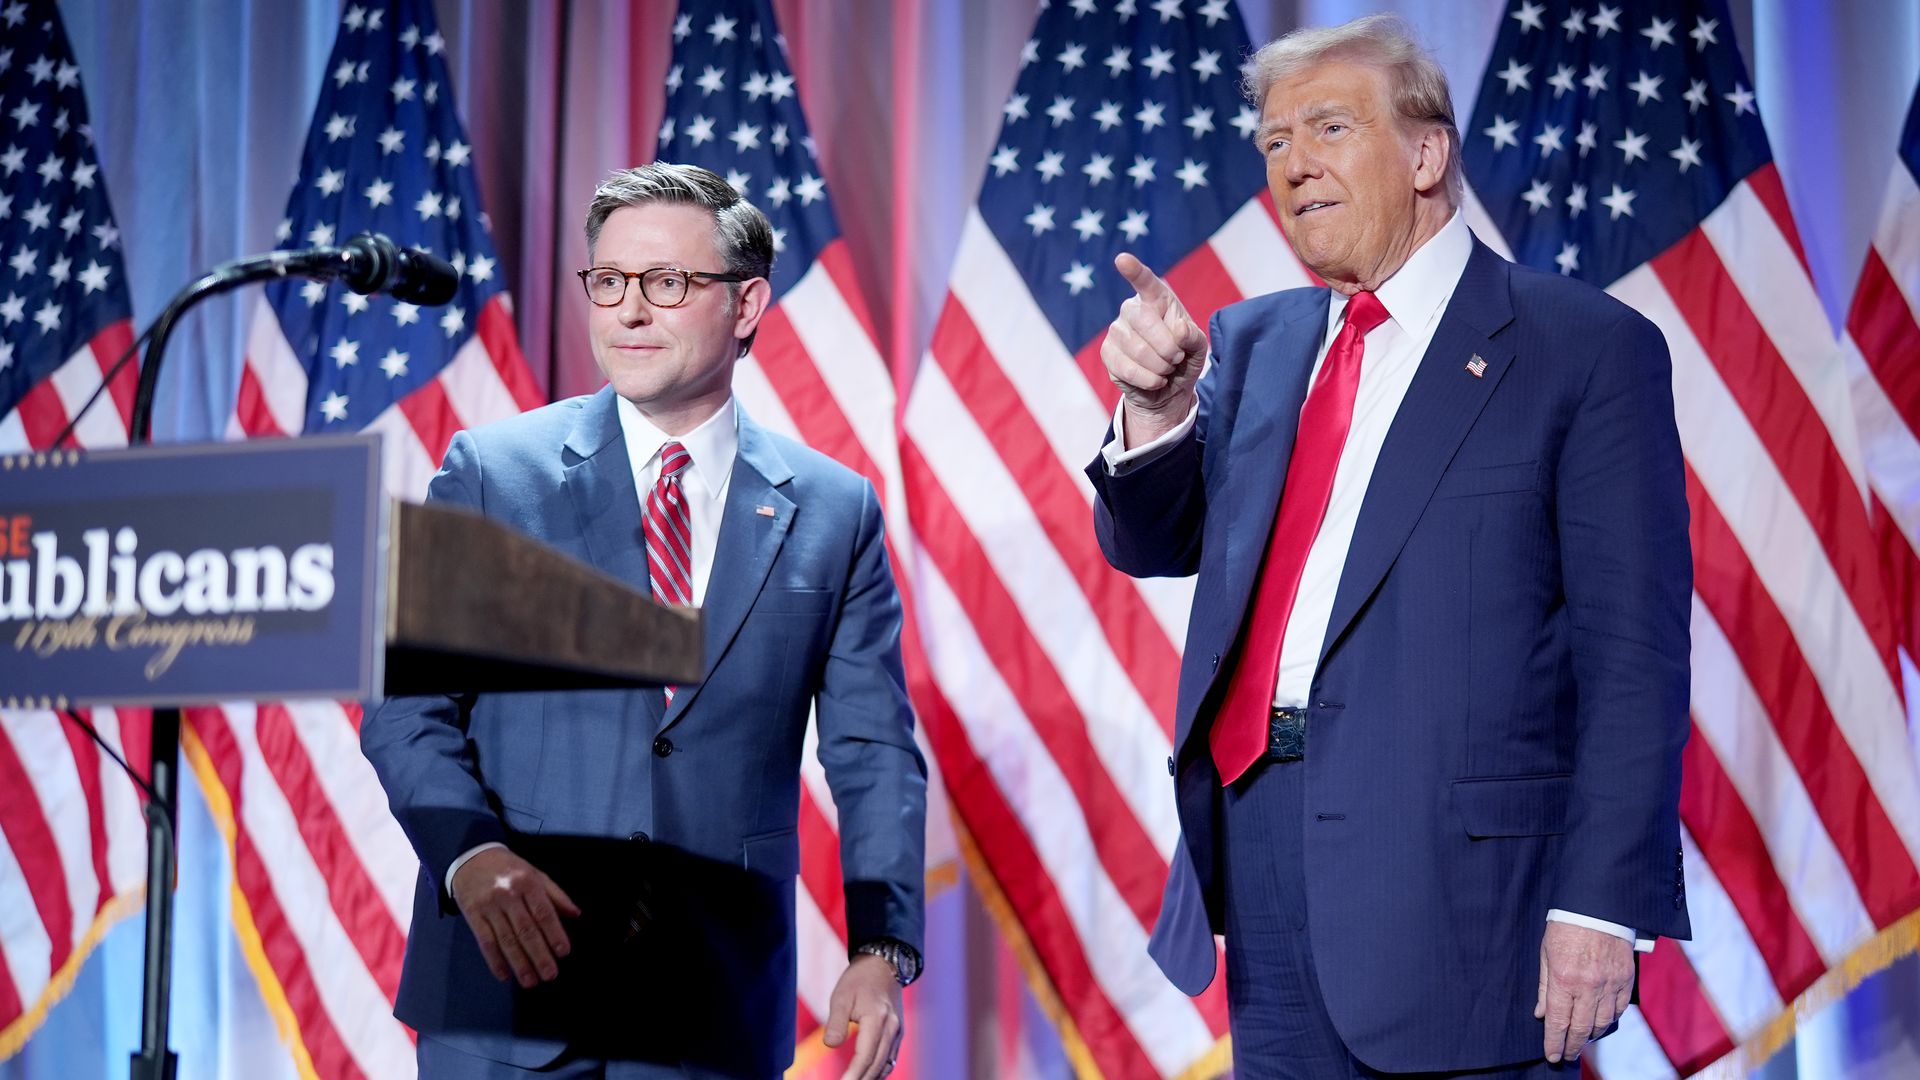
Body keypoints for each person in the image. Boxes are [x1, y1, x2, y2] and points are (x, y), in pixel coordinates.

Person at [1090, 15, 1690, 1078]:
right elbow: (1154, 543)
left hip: (1459, 887)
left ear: (1425, 153)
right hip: (1260, 851)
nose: (1293, 165)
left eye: (1328, 127)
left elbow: (1633, 657)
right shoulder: (1253, 343)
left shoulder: (1582, 348)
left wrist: (1601, 903)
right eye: (1274, 142)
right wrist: (1156, 413)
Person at [362, 162, 926, 1080]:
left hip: (708, 1004)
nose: (628, 311)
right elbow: (405, 704)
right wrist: (469, 856)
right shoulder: (493, 476)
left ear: (745, 306)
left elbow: (873, 754)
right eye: (608, 282)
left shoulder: (834, 511)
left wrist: (882, 947)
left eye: (666, 283)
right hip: (507, 998)